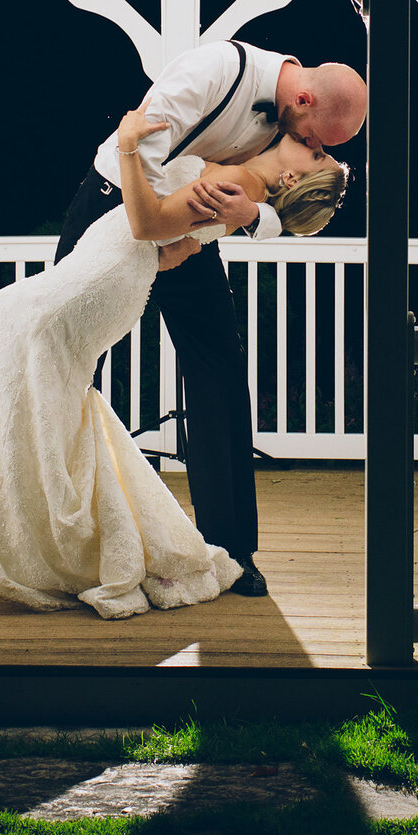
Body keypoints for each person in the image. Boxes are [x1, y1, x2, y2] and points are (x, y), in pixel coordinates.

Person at [0, 109, 349, 618]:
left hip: (99, 280)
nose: (312, 141)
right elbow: (171, 243)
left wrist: (126, 146)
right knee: (7, 357)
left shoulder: (238, 180)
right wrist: (157, 249)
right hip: (116, 277)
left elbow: (146, 221)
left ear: (290, 178)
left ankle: (31, 526)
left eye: (317, 153)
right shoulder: (243, 183)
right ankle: (37, 520)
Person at [53, 43, 367, 597]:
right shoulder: (213, 72)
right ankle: (59, 527)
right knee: (63, 363)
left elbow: (293, 201)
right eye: (319, 141)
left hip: (195, 219)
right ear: (303, 98)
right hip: (117, 207)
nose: (314, 148)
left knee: (219, 364)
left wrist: (248, 219)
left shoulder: (295, 124)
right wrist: (166, 241)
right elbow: (144, 162)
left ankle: (231, 549)